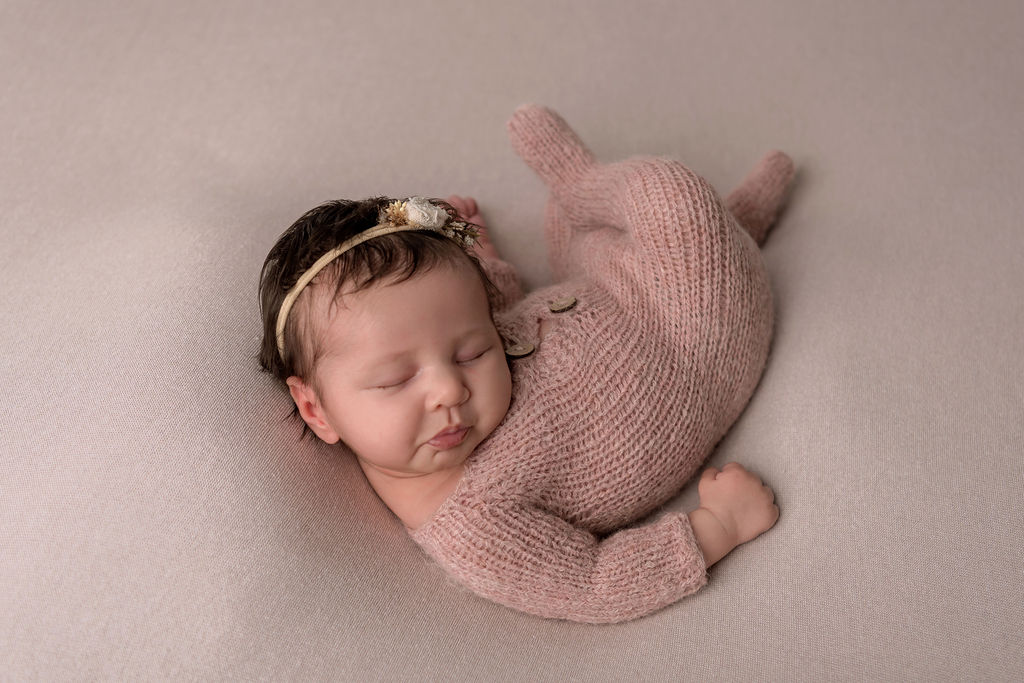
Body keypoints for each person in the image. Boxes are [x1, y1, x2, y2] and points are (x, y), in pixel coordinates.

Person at [257, 105, 793, 623]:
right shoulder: (474, 528)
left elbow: (500, 312)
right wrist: (718, 526)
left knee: (579, 230)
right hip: (694, 348)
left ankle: (732, 232)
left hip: (606, 286)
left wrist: (480, 259)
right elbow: (594, 583)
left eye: (472, 353)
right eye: (398, 379)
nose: (450, 388)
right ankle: (595, 185)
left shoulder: (449, 348)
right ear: (314, 408)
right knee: (674, 195)